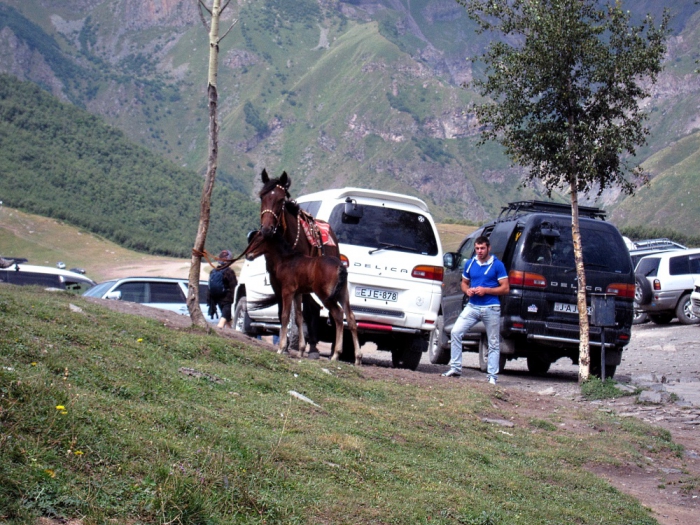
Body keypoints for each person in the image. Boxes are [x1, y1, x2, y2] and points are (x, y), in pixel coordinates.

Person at [442, 236, 510, 384]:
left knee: (493, 341)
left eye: (482, 248)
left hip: (491, 306)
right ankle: (455, 367)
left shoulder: (498, 265)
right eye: (477, 248)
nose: (479, 251)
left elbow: (505, 288)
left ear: (488, 248)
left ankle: (492, 375)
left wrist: (486, 290)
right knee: (455, 332)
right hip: (472, 305)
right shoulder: (470, 263)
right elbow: (464, 283)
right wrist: (468, 291)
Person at [208, 250, 238, 329]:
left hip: (216, 297)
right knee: (224, 316)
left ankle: (230, 331)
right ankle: (219, 328)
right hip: (227, 298)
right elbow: (234, 285)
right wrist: (235, 297)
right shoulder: (229, 271)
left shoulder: (213, 271)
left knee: (226, 317)